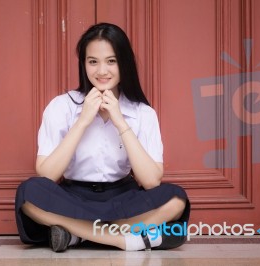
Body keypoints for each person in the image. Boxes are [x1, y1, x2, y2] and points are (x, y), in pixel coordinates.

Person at [15, 22, 190, 252]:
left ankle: (77, 235)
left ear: (123, 63)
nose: (101, 71)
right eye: (93, 62)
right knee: (29, 193)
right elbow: (47, 174)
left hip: (123, 198)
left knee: (176, 198)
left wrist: (120, 120)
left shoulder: (142, 113)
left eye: (111, 61)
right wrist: (83, 120)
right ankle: (124, 238)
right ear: (84, 64)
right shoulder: (62, 106)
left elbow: (150, 181)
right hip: (73, 197)